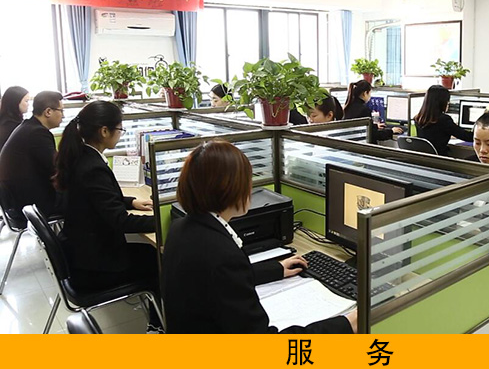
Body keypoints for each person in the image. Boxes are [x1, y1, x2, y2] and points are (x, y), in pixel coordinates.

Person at [162, 140, 357, 334]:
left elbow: (222, 281)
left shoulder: (181, 228)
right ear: (230, 188)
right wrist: (346, 325)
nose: (250, 188)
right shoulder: (222, 255)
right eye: (247, 180)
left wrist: (276, 269)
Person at [53, 101, 162, 333]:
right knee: (160, 260)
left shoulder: (81, 156)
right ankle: (158, 324)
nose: (121, 134)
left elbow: (97, 198)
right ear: (104, 131)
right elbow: (120, 221)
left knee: (150, 253)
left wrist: (130, 202)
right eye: (120, 129)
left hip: (81, 254)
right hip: (94, 267)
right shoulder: (92, 167)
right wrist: (162, 222)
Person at [0, 91, 63, 217]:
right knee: (85, 199)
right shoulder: (38, 133)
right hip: (30, 206)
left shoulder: (27, 127)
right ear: (48, 112)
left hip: (13, 203)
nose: (63, 115)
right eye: (61, 111)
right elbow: (56, 168)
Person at [414, 85, 472, 156]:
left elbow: (433, 135)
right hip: (440, 159)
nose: (448, 103)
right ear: (442, 102)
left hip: (425, 159)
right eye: (447, 101)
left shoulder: (418, 118)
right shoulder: (444, 120)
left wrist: (449, 133)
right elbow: (467, 136)